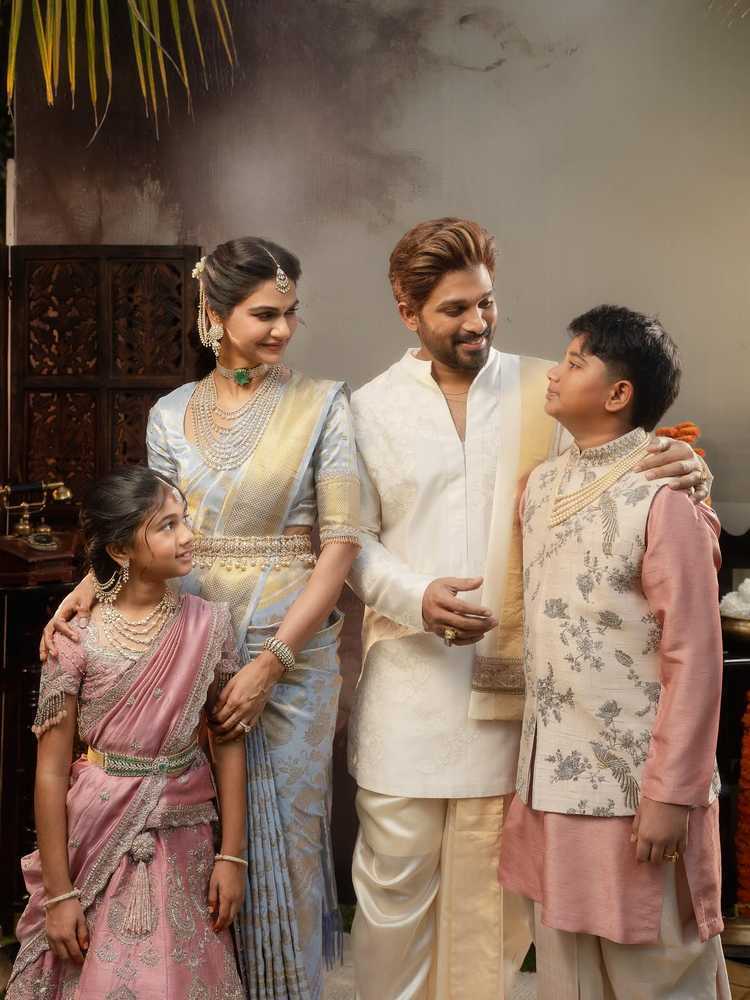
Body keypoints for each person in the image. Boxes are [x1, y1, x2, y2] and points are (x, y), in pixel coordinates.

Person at [346, 220, 712, 1000]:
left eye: (485, 302)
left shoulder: (546, 388)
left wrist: (689, 464)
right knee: (391, 902)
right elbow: (351, 542)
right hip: (408, 696)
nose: (477, 322)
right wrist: (415, 598)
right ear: (408, 312)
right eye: (454, 309)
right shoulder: (367, 410)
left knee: (494, 918)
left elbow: (627, 464)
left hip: (522, 715)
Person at [40, 238, 361, 1000]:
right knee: (187, 850)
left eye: (290, 313)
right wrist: (91, 583)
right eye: (264, 314)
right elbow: (151, 525)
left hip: (290, 657)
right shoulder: (171, 413)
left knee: (283, 854)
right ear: (213, 316)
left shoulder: (324, 404)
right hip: (183, 641)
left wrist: (271, 663)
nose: (282, 329)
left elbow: (343, 544)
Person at [499, 305, 730, 998]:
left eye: (575, 362)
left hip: (636, 790)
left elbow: (696, 658)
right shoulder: (541, 486)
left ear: (618, 393)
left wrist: (671, 794)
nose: (555, 371)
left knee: (657, 970)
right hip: (554, 781)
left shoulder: (665, 495)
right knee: (566, 974)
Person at [7, 466, 246, 999]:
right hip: (96, 834)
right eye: (166, 526)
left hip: (186, 838)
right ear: (120, 550)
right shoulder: (75, 638)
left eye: (184, 519)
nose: (187, 536)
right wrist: (59, 895)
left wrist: (232, 855)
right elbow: (50, 772)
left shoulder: (209, 625)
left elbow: (228, 740)